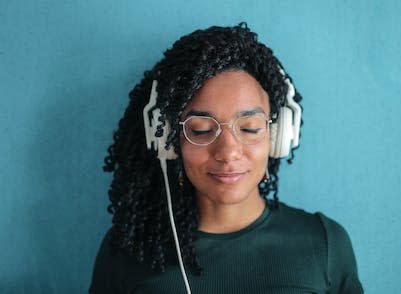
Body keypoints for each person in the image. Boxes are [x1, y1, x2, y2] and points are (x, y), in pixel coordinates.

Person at [89, 23, 363, 293]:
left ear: (278, 136)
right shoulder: (128, 249)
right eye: (201, 129)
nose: (228, 152)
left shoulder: (324, 243)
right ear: (168, 140)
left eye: (249, 128)